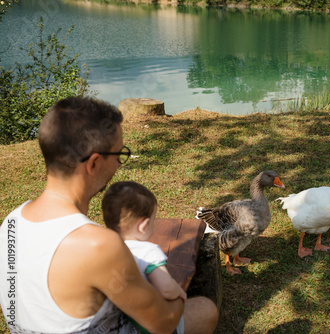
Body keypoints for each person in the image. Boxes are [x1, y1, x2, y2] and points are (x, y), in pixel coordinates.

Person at [0, 97, 218, 333]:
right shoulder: (97, 245)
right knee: (205, 309)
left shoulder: (12, 221)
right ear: (93, 163)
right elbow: (164, 324)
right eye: (119, 155)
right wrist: (175, 291)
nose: (118, 166)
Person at [102, 181, 187, 334]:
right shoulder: (147, 251)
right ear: (143, 225)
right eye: (153, 221)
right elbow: (166, 289)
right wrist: (179, 291)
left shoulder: (105, 249)